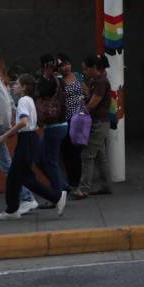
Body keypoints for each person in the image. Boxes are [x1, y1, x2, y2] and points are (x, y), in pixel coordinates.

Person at [0, 74, 67, 220]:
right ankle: (12, 209)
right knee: (16, 176)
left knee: (22, 177)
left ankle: (56, 196)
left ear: (24, 87)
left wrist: (5, 136)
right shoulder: (28, 100)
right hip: (28, 138)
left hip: (26, 140)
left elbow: (23, 122)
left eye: (17, 84)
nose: (14, 86)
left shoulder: (23, 100)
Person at [0, 44, 36, 213]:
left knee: (7, 167)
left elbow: (4, 103)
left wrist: (6, 126)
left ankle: (27, 198)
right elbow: (9, 101)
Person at [72, 54, 113, 199]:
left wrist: (80, 114)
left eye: (86, 69)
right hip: (98, 123)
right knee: (100, 156)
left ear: (94, 68)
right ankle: (105, 185)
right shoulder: (96, 81)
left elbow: (93, 104)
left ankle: (83, 189)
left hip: (98, 124)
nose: (84, 72)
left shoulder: (101, 82)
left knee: (87, 154)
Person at [35, 54, 69, 194]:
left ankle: (58, 194)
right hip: (56, 126)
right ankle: (61, 185)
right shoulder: (59, 81)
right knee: (39, 159)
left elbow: (41, 91)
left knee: (50, 161)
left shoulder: (51, 82)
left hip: (55, 126)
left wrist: (44, 75)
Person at [58, 53, 87, 189]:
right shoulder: (59, 80)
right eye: (62, 65)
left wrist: (84, 96)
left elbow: (86, 90)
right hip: (67, 119)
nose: (66, 67)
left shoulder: (78, 75)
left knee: (78, 150)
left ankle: (78, 180)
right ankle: (72, 181)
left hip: (80, 118)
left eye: (67, 63)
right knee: (68, 151)